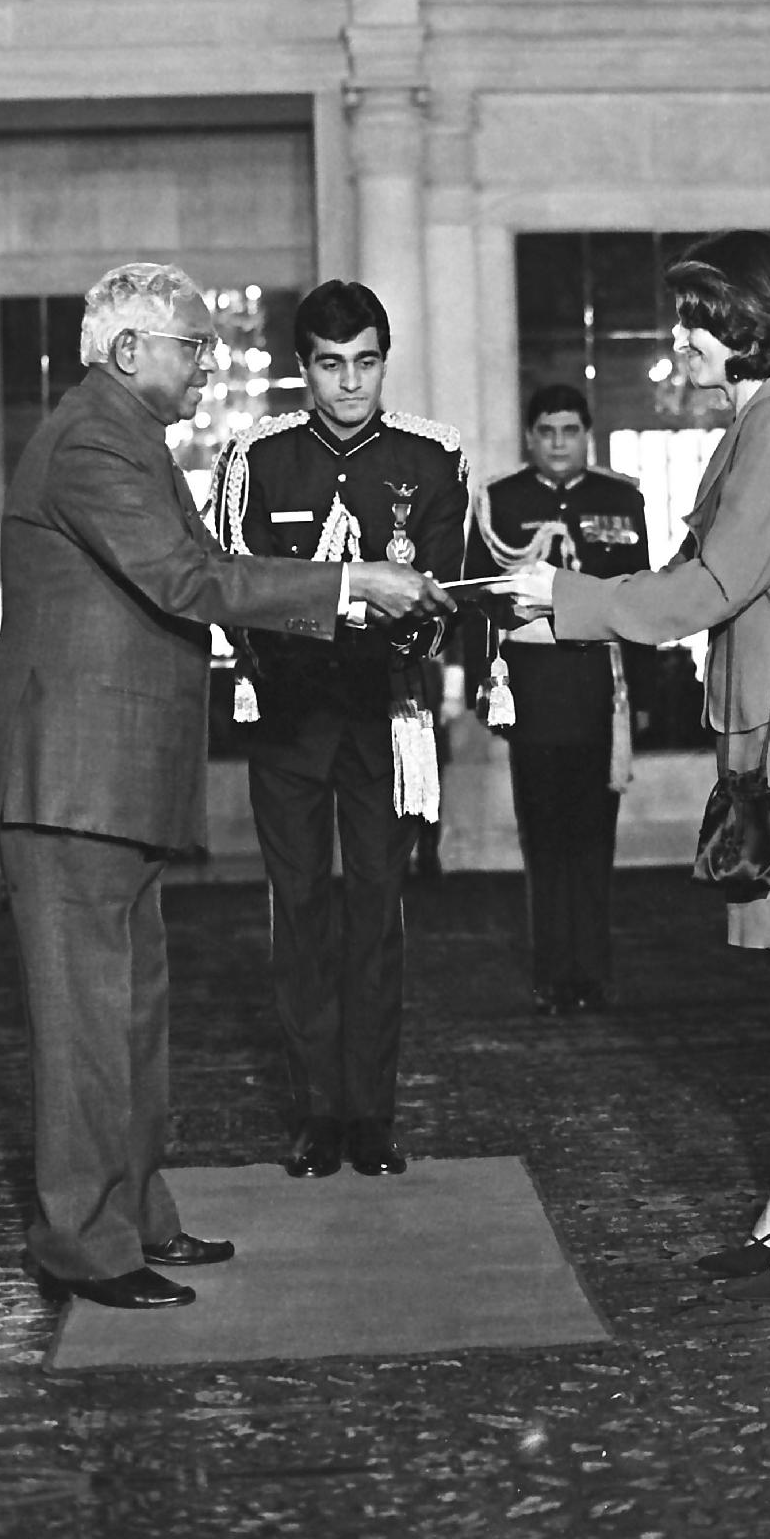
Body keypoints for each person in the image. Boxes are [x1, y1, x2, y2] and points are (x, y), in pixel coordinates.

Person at [0, 263, 452, 1312]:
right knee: (87, 1027)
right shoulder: (94, 442)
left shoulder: (131, 439)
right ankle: (83, 1244)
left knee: (131, 1016)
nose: (209, 363)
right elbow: (190, 580)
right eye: (192, 346)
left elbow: (199, 574)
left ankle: (137, 1217)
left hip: (110, 782)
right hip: (72, 782)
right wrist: (351, 582)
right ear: (128, 349)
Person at [504, 231, 770, 1300]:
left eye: (693, 320)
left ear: (748, 324)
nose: (677, 340)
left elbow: (712, 584)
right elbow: (688, 574)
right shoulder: (761, 424)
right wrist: (546, 609)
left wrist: (567, 600)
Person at [211, 281, 468, 1181]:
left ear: (384, 361)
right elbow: (234, 587)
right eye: (331, 364)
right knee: (300, 913)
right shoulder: (258, 458)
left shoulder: (431, 456)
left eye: (365, 362)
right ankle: (316, 1112)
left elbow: (440, 597)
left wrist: (362, 617)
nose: (350, 382)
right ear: (303, 368)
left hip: (383, 714)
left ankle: (371, 1115)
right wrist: (339, 611)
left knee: (376, 912)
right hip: (289, 717)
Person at [462, 383, 653, 1016]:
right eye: (547, 431)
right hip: (533, 694)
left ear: (587, 434)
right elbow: (476, 599)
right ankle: (552, 975)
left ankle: (591, 975)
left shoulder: (620, 499)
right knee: (543, 843)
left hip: (600, 690)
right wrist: (483, 688)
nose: (559, 443)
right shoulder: (501, 500)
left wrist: (645, 695)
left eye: (570, 431)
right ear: (530, 436)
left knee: (595, 843)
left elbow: (642, 597)